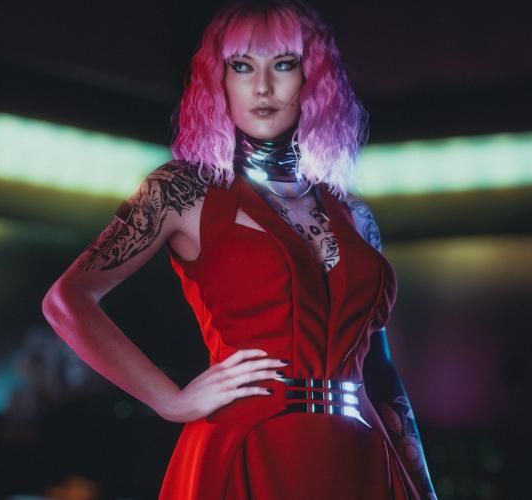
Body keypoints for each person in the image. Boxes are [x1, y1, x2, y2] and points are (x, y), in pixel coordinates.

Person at [41, 1, 438, 498]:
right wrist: (171, 401)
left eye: (283, 65)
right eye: (242, 66)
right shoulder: (182, 190)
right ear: (219, 80)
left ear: (312, 78)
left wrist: (422, 486)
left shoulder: (354, 215)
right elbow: (66, 300)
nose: (263, 87)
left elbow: (380, 373)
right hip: (242, 450)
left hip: (359, 458)